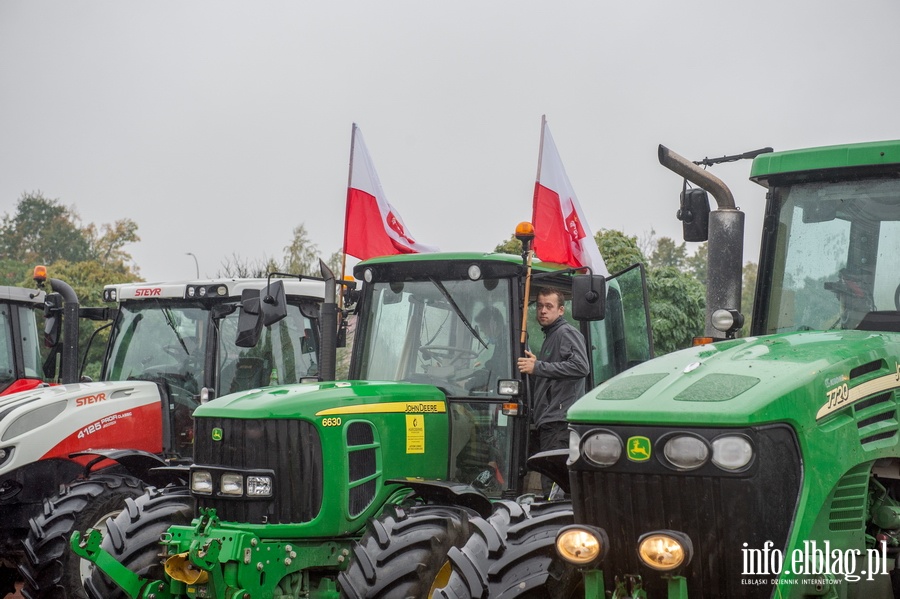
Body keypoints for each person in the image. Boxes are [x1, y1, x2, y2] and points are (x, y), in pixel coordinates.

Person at [517, 287, 589, 498]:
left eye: (549, 306)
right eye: (539, 306)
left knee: (554, 484)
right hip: (549, 420)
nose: (543, 311)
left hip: (559, 421)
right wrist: (536, 366)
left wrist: (538, 367)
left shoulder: (565, 333)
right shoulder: (551, 336)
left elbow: (580, 367)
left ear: (561, 310)